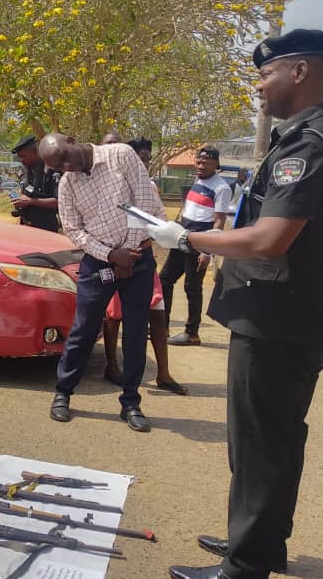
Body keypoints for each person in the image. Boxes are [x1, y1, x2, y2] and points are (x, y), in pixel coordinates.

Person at [146, 29, 323, 579]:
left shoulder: (311, 144)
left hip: (277, 321)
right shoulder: (308, 138)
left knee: (262, 444)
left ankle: (246, 570)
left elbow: (270, 238)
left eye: (266, 75)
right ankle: (263, 545)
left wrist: (189, 239)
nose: (259, 87)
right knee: (274, 441)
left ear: (300, 73)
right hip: (281, 317)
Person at [39, 133, 166, 432]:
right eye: (60, 167)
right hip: (98, 262)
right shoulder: (67, 183)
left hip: (137, 257)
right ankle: (63, 393)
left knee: (135, 331)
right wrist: (110, 255)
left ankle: (131, 403)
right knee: (83, 329)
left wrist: (128, 256)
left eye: (66, 158)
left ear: (72, 139)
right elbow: (74, 229)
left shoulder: (120, 155)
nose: (67, 167)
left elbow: (145, 205)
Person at [102, 138, 186, 395]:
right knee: (114, 317)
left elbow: (157, 224)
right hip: (118, 258)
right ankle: (113, 367)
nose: (144, 163)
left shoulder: (150, 188)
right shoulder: (111, 188)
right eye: (140, 157)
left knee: (157, 316)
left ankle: (164, 374)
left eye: (148, 158)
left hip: (145, 259)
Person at [158, 146, 231, 346]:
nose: (201, 166)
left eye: (206, 163)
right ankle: (161, 327)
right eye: (198, 162)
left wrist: (207, 251)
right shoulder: (197, 180)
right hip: (181, 237)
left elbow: (218, 222)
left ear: (216, 164)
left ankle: (192, 333)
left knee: (192, 287)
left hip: (200, 242)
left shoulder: (221, 188)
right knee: (164, 280)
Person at [9, 134, 61, 231]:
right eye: (19, 157)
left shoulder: (51, 170)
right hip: (26, 227)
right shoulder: (26, 171)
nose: (21, 160)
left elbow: (59, 201)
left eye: (24, 156)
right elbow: (26, 195)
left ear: (36, 152)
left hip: (46, 229)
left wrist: (31, 201)